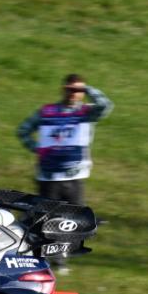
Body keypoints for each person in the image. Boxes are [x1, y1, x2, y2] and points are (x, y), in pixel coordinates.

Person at [16, 74, 113, 207]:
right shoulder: (46, 112)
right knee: (45, 217)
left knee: (75, 218)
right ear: (63, 89)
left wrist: (87, 89)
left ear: (83, 93)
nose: (73, 93)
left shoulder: (87, 112)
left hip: (75, 177)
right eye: (70, 89)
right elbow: (23, 131)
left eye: (78, 90)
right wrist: (37, 149)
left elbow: (105, 105)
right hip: (48, 177)